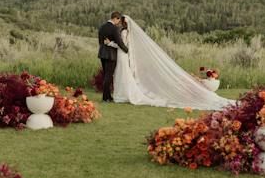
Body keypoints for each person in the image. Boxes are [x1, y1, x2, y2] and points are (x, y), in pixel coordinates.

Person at [105, 15, 235, 110]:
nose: (119, 23)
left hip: (122, 54)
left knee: (123, 73)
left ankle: (123, 94)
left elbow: (123, 45)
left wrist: (110, 43)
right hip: (124, 54)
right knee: (124, 73)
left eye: (120, 21)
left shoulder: (123, 32)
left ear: (123, 22)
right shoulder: (128, 32)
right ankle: (123, 94)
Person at [98, 11, 128, 102]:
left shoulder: (102, 27)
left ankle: (108, 96)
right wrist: (127, 50)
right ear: (116, 18)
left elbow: (100, 41)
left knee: (106, 76)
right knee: (109, 76)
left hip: (102, 53)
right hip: (111, 55)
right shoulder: (114, 29)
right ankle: (105, 97)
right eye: (118, 21)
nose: (118, 23)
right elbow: (120, 42)